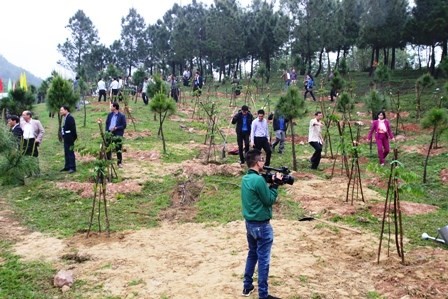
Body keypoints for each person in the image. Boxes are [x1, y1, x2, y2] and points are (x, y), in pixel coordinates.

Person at [241, 149, 282, 299]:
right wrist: (276, 185)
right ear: (258, 162)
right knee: (263, 260)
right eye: (262, 160)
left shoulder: (246, 178)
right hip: (262, 226)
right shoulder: (258, 180)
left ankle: (247, 286)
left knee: (252, 254)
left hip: (250, 224)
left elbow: (258, 192)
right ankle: (263, 295)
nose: (264, 162)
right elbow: (269, 200)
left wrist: (269, 182)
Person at [106, 102, 127, 168]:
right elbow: (107, 123)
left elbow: (124, 125)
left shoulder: (121, 116)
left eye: (111, 106)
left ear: (115, 107)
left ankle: (119, 162)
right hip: (109, 133)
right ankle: (108, 161)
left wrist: (116, 128)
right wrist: (106, 131)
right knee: (108, 147)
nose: (110, 107)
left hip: (117, 133)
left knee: (118, 148)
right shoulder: (109, 115)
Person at [60, 106, 77, 173]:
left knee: (70, 153)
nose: (60, 112)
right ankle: (67, 166)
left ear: (66, 110)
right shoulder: (65, 118)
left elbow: (73, 130)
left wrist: (72, 138)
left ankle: (72, 167)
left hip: (70, 138)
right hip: (66, 138)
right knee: (66, 152)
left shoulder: (70, 118)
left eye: (61, 110)